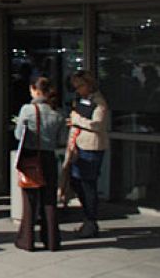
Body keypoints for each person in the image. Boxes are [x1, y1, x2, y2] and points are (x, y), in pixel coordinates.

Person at [14, 77, 68, 251]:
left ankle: (27, 240)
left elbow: (18, 134)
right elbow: (62, 139)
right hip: (49, 158)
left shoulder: (27, 110)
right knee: (49, 200)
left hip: (31, 157)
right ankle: (51, 240)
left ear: (34, 90)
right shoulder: (58, 113)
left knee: (30, 201)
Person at [67, 70, 109, 238]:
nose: (77, 90)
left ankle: (91, 221)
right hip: (79, 144)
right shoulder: (82, 100)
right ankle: (88, 218)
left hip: (92, 147)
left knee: (87, 184)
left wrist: (77, 120)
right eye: (75, 87)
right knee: (76, 182)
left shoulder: (99, 102)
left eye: (80, 86)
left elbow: (97, 125)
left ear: (89, 84)